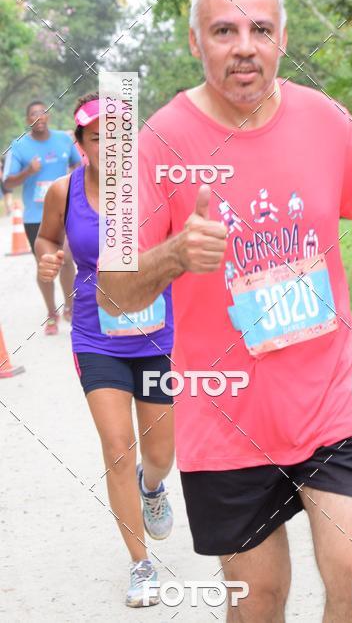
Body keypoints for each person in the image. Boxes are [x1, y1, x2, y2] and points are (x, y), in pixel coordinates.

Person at [98, 0, 352, 621]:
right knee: (259, 601)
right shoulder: (154, 143)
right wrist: (171, 253)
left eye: (259, 28)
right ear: (196, 41)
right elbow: (114, 292)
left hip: (336, 404)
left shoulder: (325, 118)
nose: (244, 45)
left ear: (281, 37)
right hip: (225, 421)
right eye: (223, 30)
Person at [35, 92, 176, 608]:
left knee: (159, 455)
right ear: (82, 144)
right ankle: (142, 565)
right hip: (96, 338)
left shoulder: (155, 186)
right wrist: (47, 261)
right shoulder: (62, 191)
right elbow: (47, 240)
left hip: (158, 337)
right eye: (99, 138)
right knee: (119, 449)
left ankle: (153, 487)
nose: (111, 147)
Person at [3, 100, 81, 333]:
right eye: (33, 114)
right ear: (28, 120)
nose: (39, 117)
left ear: (48, 116)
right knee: (45, 265)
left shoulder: (64, 140)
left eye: (42, 113)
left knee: (67, 259)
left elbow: (79, 167)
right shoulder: (18, 146)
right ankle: (51, 312)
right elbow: (7, 182)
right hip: (36, 217)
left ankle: (70, 307)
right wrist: (28, 171)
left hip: (65, 212)